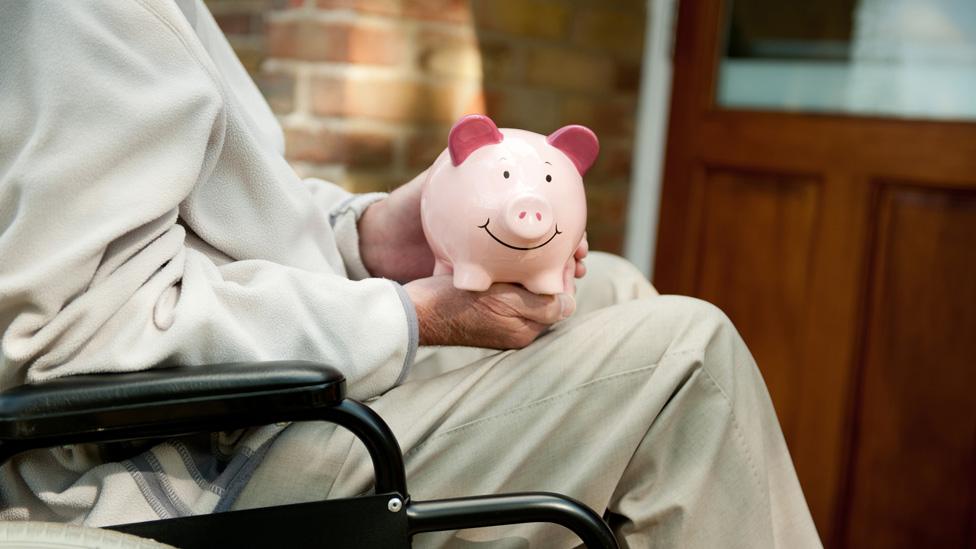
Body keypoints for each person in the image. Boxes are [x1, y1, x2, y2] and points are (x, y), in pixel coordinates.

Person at [0, 1, 821, 547]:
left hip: (255, 417)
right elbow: (79, 327)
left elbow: (206, 216)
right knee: (687, 359)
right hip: (186, 472)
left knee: (603, 287)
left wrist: (376, 232)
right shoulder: (79, 17)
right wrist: (411, 316)